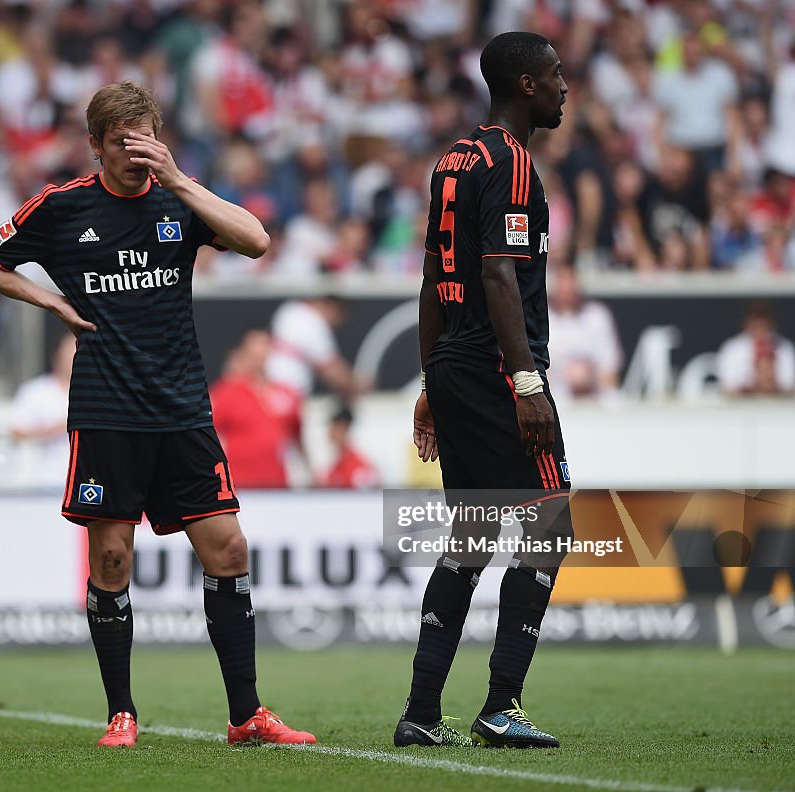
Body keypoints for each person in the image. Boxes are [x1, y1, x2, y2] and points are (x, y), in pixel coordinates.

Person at [0, 81, 314, 748]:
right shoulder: (63, 207)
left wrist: (178, 178)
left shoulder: (179, 200)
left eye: (144, 139)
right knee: (113, 561)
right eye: (119, 142)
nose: (133, 153)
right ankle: (121, 712)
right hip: (106, 408)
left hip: (181, 406)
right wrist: (50, 303)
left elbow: (257, 241)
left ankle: (247, 716)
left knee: (229, 548)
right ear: (95, 146)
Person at [394, 32, 571, 750]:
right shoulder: (512, 162)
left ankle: (420, 711)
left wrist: (432, 376)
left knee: (469, 536)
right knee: (549, 523)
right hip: (499, 369)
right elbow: (498, 275)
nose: (565, 87)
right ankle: (501, 705)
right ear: (525, 85)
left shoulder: (454, 159)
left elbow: (435, 276)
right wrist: (527, 382)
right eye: (556, 76)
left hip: (455, 363)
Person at [209, 330, 302, 489]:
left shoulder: (285, 392)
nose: (260, 355)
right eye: (254, 350)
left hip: (277, 484)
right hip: (240, 484)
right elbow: (211, 436)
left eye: (264, 347)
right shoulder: (227, 392)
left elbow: (297, 436)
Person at [8, 332, 76, 487]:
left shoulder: (97, 391)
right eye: (70, 354)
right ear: (57, 357)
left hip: (88, 484)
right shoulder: (36, 391)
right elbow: (16, 432)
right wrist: (59, 428)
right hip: (49, 480)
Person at [546, 265, 622, 400]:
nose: (567, 289)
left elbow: (611, 372)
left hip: (594, 397)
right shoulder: (542, 319)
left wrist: (587, 377)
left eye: (570, 283)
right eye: (562, 283)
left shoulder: (597, 316)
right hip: (554, 397)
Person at [717, 302, 795, 397]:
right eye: (756, 323)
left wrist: (770, 388)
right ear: (747, 323)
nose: (760, 327)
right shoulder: (732, 348)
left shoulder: (784, 347)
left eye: (763, 323)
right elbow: (728, 389)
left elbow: (790, 388)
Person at [321, 406, 379, 489]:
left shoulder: (358, 466)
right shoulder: (334, 465)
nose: (329, 432)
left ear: (344, 428)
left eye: (334, 427)